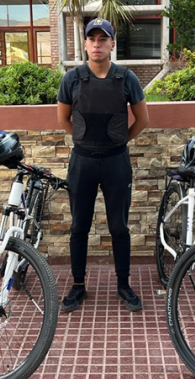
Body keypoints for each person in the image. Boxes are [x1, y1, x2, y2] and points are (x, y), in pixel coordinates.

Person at [56, 18, 150, 312]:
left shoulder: (127, 78)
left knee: (119, 227)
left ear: (112, 44)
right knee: (79, 227)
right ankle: (78, 286)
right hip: (82, 162)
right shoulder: (71, 78)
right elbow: (63, 119)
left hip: (115, 162)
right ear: (85, 44)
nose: (97, 44)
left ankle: (123, 285)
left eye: (103, 39)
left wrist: (119, 143)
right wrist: (84, 141)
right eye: (92, 39)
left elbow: (143, 120)